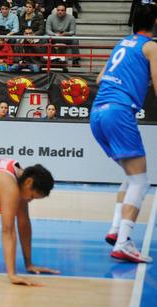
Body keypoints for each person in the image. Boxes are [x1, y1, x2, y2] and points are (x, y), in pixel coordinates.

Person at [90, 4, 157, 263]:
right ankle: (124, 242)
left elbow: (99, 78)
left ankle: (116, 228)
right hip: (119, 112)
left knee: (132, 176)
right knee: (142, 182)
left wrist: (137, 76)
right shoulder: (151, 46)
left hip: (97, 112)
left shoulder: (123, 42)